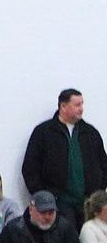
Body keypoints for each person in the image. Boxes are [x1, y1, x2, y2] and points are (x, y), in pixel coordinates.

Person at [23, 89, 105, 224]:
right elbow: (30, 168)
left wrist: (97, 193)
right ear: (63, 106)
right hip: (59, 204)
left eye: (82, 104)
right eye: (77, 105)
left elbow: (103, 164)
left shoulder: (90, 133)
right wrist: (46, 197)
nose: (81, 109)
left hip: (88, 204)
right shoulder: (44, 132)